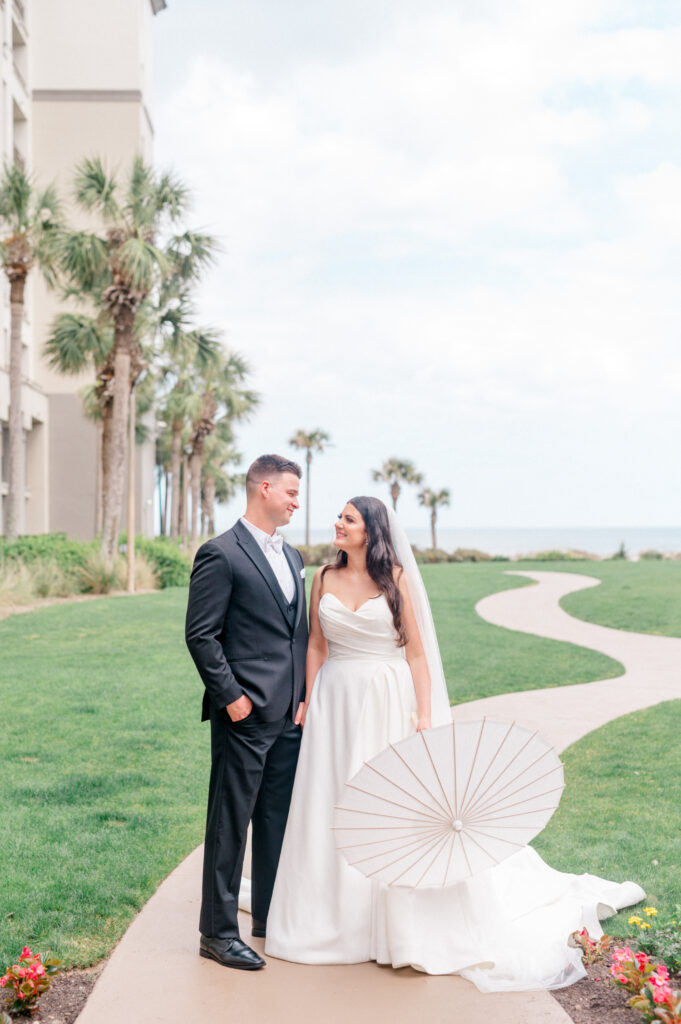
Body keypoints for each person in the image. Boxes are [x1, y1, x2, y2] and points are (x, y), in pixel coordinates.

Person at [264, 495, 645, 990]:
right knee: (328, 801)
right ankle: (328, 918)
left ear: (371, 530)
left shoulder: (395, 578)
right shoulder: (323, 578)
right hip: (335, 702)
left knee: (388, 809)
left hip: (386, 700)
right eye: (339, 517)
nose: (337, 524)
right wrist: (309, 701)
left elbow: (417, 656)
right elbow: (316, 643)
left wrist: (423, 715)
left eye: (348, 519)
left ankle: (391, 924)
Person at [185, 454, 308, 971]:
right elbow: (201, 635)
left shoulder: (296, 557)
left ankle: (267, 917)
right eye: (290, 492)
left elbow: (295, 632)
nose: (296, 502)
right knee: (230, 822)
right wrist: (232, 697)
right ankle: (216, 933)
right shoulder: (221, 553)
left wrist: (302, 695)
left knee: (276, 820)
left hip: (288, 716)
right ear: (264, 488)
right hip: (244, 713)